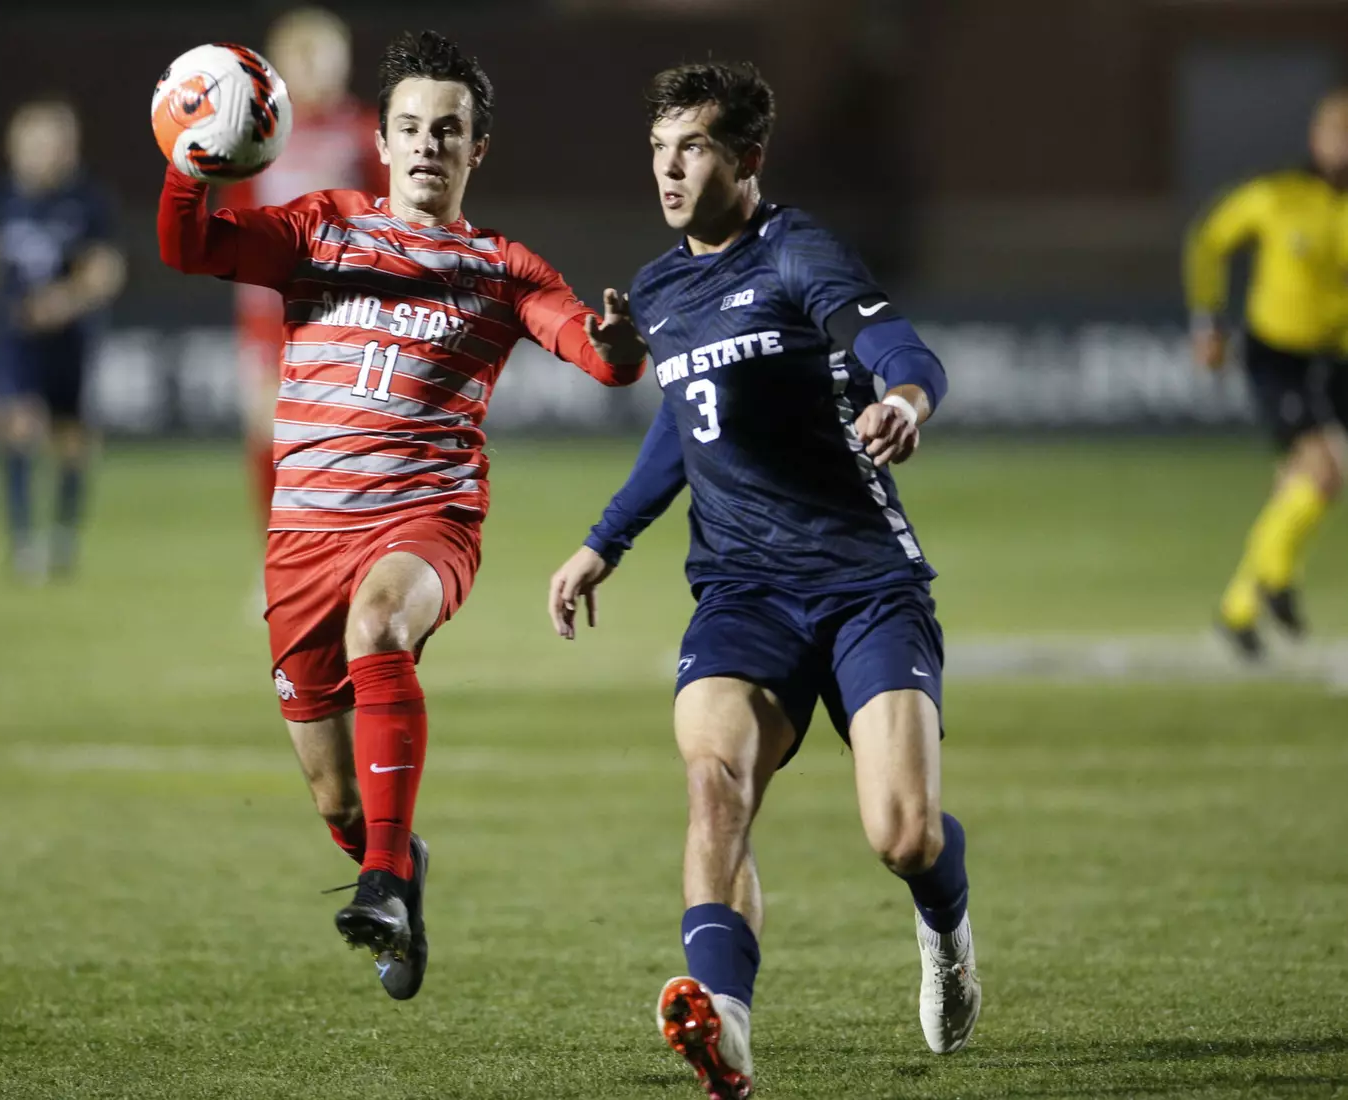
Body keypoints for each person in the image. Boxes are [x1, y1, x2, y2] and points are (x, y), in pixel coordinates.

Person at [158, 30, 646, 1000]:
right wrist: (188, 163)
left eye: (449, 129)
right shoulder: (319, 229)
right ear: (380, 140)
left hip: (428, 518)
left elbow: (597, 357)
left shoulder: (502, 270)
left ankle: (380, 877)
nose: (429, 143)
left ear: (478, 150)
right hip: (303, 538)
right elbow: (191, 247)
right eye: (412, 127)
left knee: (379, 620)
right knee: (334, 793)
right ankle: (393, 852)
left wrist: (619, 342)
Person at [546, 62, 977, 1098]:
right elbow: (685, 423)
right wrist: (607, 537)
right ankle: (724, 1023)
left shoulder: (796, 249)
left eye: (691, 146)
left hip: (864, 582)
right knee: (714, 780)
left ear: (747, 158)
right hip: (742, 593)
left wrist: (908, 397)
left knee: (903, 832)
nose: (669, 167)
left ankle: (948, 929)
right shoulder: (654, 289)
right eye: (658, 149)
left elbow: (895, 341)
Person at [0, 99, 126, 579]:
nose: (43, 153)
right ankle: (22, 543)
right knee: (15, 425)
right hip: (14, 333)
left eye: (53, 143)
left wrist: (68, 300)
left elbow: (106, 270)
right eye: (33, 143)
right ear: (13, 147)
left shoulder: (88, 203)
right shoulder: (1, 200)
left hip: (70, 337)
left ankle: (62, 534)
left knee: (71, 439)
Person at [1185, 88, 1348, 658]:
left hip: (1332, 360)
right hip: (1276, 354)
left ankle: (1238, 610)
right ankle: (1275, 579)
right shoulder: (1278, 195)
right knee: (1322, 472)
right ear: (1316, 140)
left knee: (1300, 485)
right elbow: (1209, 239)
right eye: (1337, 134)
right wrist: (1208, 319)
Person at [220, 6, 388, 536]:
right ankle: (279, 554)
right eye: (302, 55)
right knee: (265, 431)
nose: (315, 67)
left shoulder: (366, 134)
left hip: (344, 306)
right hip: (270, 306)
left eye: (324, 55)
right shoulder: (258, 138)